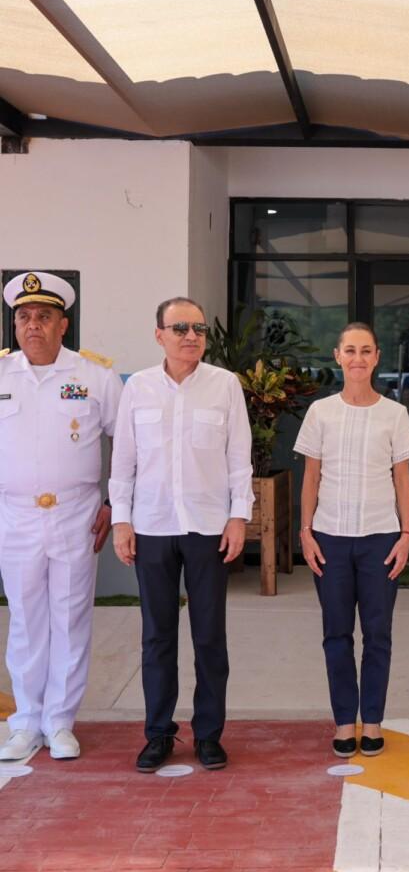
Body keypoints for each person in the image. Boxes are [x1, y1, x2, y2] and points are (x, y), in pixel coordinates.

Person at [110, 297, 252, 773]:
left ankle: (209, 734)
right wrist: (121, 520)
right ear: (159, 335)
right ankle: (159, 733)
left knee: (210, 635)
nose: (190, 336)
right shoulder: (139, 389)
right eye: (179, 328)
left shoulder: (225, 386)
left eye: (197, 328)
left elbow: (239, 458)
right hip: (151, 526)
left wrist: (239, 517)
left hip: (208, 528)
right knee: (157, 637)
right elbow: (123, 460)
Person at [0, 272, 122, 762]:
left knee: (70, 617)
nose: (33, 325)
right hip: (15, 515)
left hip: (76, 514)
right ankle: (26, 721)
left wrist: (116, 501)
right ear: (14, 325)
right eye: (24, 317)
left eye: (44, 317)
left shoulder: (95, 376)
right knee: (26, 620)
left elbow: (128, 445)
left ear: (63, 324)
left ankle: (60, 722)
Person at [295, 322, 409, 757]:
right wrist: (305, 533)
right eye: (351, 350)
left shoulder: (394, 414)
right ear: (338, 356)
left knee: (378, 634)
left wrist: (405, 534)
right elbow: (311, 477)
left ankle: (374, 721)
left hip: (381, 538)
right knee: (336, 634)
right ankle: (345, 722)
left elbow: (403, 479)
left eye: (366, 350)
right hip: (330, 538)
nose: (358, 358)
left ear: (377, 357)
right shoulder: (320, 412)